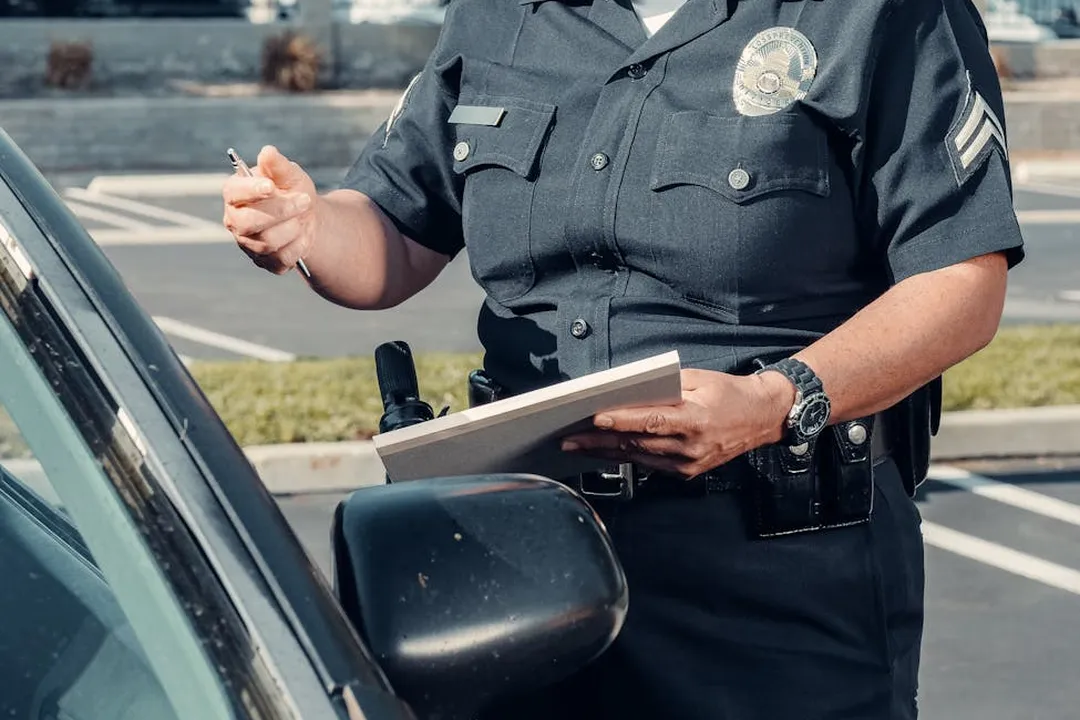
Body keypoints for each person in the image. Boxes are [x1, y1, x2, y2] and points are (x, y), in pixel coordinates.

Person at [221, 0, 1025, 716]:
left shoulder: (879, 16)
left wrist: (776, 400)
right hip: (525, 564)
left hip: (774, 574)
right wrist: (309, 228)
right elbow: (395, 236)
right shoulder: (500, 17)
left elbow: (961, 280)